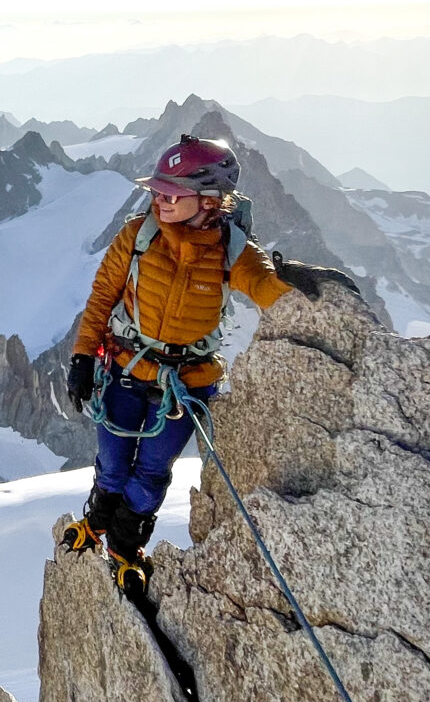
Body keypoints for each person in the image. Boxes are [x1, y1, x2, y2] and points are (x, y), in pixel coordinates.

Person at [60, 134, 345, 595]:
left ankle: (125, 549)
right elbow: (101, 298)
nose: (159, 199)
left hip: (184, 383)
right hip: (124, 368)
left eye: (171, 192)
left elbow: (264, 287)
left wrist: (294, 282)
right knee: (113, 465)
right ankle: (96, 523)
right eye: (156, 190)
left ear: (209, 200)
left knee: (152, 472)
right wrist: (80, 356)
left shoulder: (233, 249)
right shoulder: (138, 234)